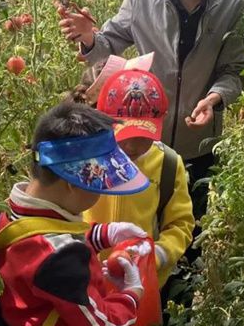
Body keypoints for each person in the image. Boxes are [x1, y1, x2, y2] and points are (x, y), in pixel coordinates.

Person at [58, 0, 244, 264]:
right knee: (135, 224)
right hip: (141, 140)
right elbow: (108, 42)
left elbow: (234, 71)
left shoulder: (232, 6)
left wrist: (214, 98)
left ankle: (177, 304)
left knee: (188, 231)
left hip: (198, 143)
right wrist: (88, 38)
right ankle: (130, 296)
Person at [0, 101, 153, 326]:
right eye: (100, 185)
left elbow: (43, 239)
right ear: (72, 184)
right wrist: (131, 293)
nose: (103, 192)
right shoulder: (61, 258)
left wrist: (103, 234)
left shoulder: (8, 211)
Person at [81, 68, 194, 288]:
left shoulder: (168, 164)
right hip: (85, 280)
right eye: (123, 135)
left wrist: (158, 254)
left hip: (142, 283)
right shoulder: (87, 159)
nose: (132, 146)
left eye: (143, 137)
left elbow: (180, 224)